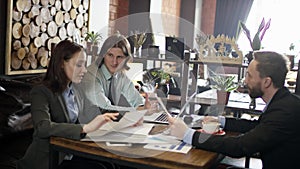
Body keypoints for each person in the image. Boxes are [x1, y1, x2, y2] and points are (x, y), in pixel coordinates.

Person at [168, 51, 300, 169]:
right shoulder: (284, 102)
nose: (245, 80)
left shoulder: (284, 111)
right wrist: (221, 121)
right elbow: (258, 126)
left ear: (266, 82)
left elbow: (240, 146)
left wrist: (188, 134)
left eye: (249, 76)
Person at [17, 40, 119, 169]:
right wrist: (85, 128)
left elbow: (97, 111)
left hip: (71, 153)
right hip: (49, 160)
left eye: (85, 65)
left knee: (110, 165)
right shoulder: (41, 92)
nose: (85, 70)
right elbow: (42, 127)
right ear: (61, 64)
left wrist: (131, 116)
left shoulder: (76, 89)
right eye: (79, 65)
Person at [80, 33, 152, 119]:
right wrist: (137, 110)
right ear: (103, 55)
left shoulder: (119, 75)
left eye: (119, 57)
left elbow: (137, 100)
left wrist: (145, 106)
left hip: (107, 123)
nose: (114, 62)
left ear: (126, 59)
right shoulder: (91, 75)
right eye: (110, 55)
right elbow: (104, 108)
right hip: (87, 124)